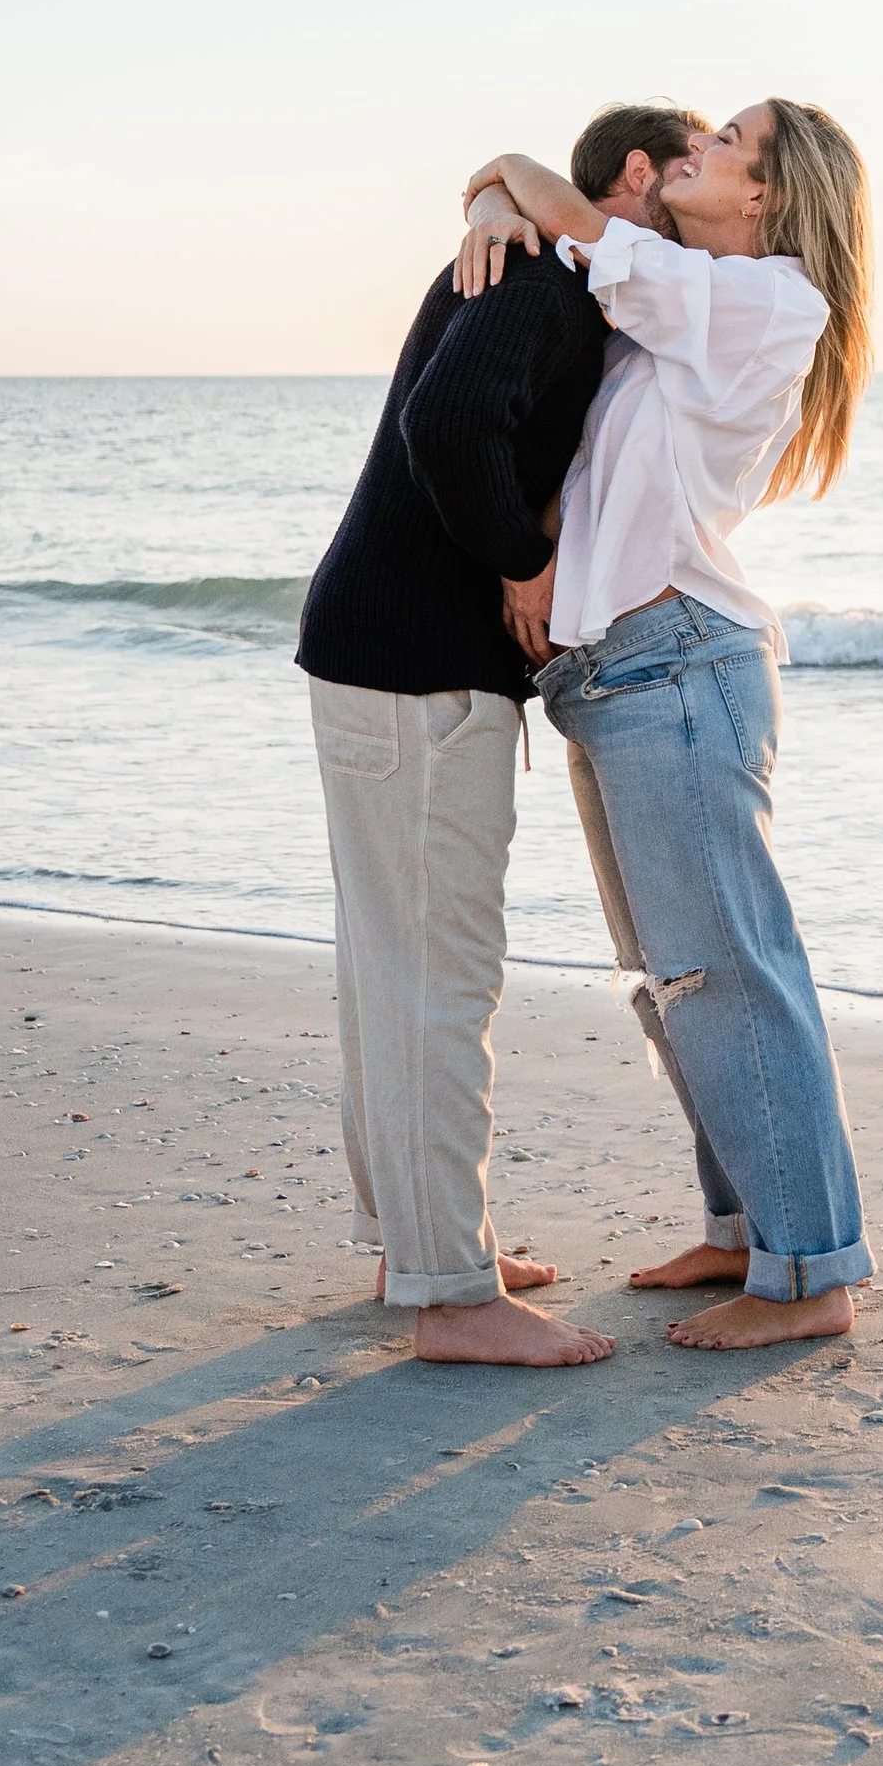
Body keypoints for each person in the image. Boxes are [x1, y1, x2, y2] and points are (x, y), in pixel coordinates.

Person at [456, 99, 874, 1350]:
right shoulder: (689, 294)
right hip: (621, 674)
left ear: (769, 198)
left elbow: (561, 207)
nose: (700, 151)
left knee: (731, 972)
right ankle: (744, 1228)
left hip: (678, 667)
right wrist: (488, 203)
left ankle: (808, 1278)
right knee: (679, 982)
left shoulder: (773, 301)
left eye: (729, 145)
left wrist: (504, 184)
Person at [296, 100, 705, 1367]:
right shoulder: (544, 275)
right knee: (437, 975)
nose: (704, 195)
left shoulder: (540, 261)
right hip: (418, 661)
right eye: (691, 169)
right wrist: (528, 564)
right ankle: (451, 1297)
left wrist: (494, 196)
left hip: (381, 646)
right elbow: (446, 425)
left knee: (394, 963)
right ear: (636, 175)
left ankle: (415, 1244)